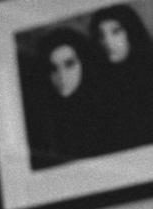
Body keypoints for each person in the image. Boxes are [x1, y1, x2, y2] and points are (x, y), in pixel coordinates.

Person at [89, 3, 153, 150]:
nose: (107, 42)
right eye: (101, 35)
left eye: (116, 31)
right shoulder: (98, 86)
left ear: (131, 32)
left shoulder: (151, 76)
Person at [25, 26, 116, 169]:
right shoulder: (39, 119)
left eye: (69, 64)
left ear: (84, 64)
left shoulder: (108, 112)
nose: (61, 76)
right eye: (53, 68)